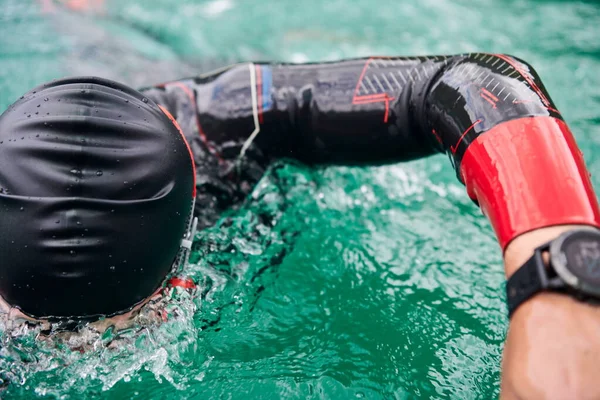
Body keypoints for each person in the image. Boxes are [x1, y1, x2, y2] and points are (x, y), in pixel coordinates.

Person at [1, 53, 599, 399]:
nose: (77, 349)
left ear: (173, 291)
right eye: (35, 327)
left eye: (108, 330)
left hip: (174, 75)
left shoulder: (237, 125)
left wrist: (556, 285)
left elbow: (477, 81)